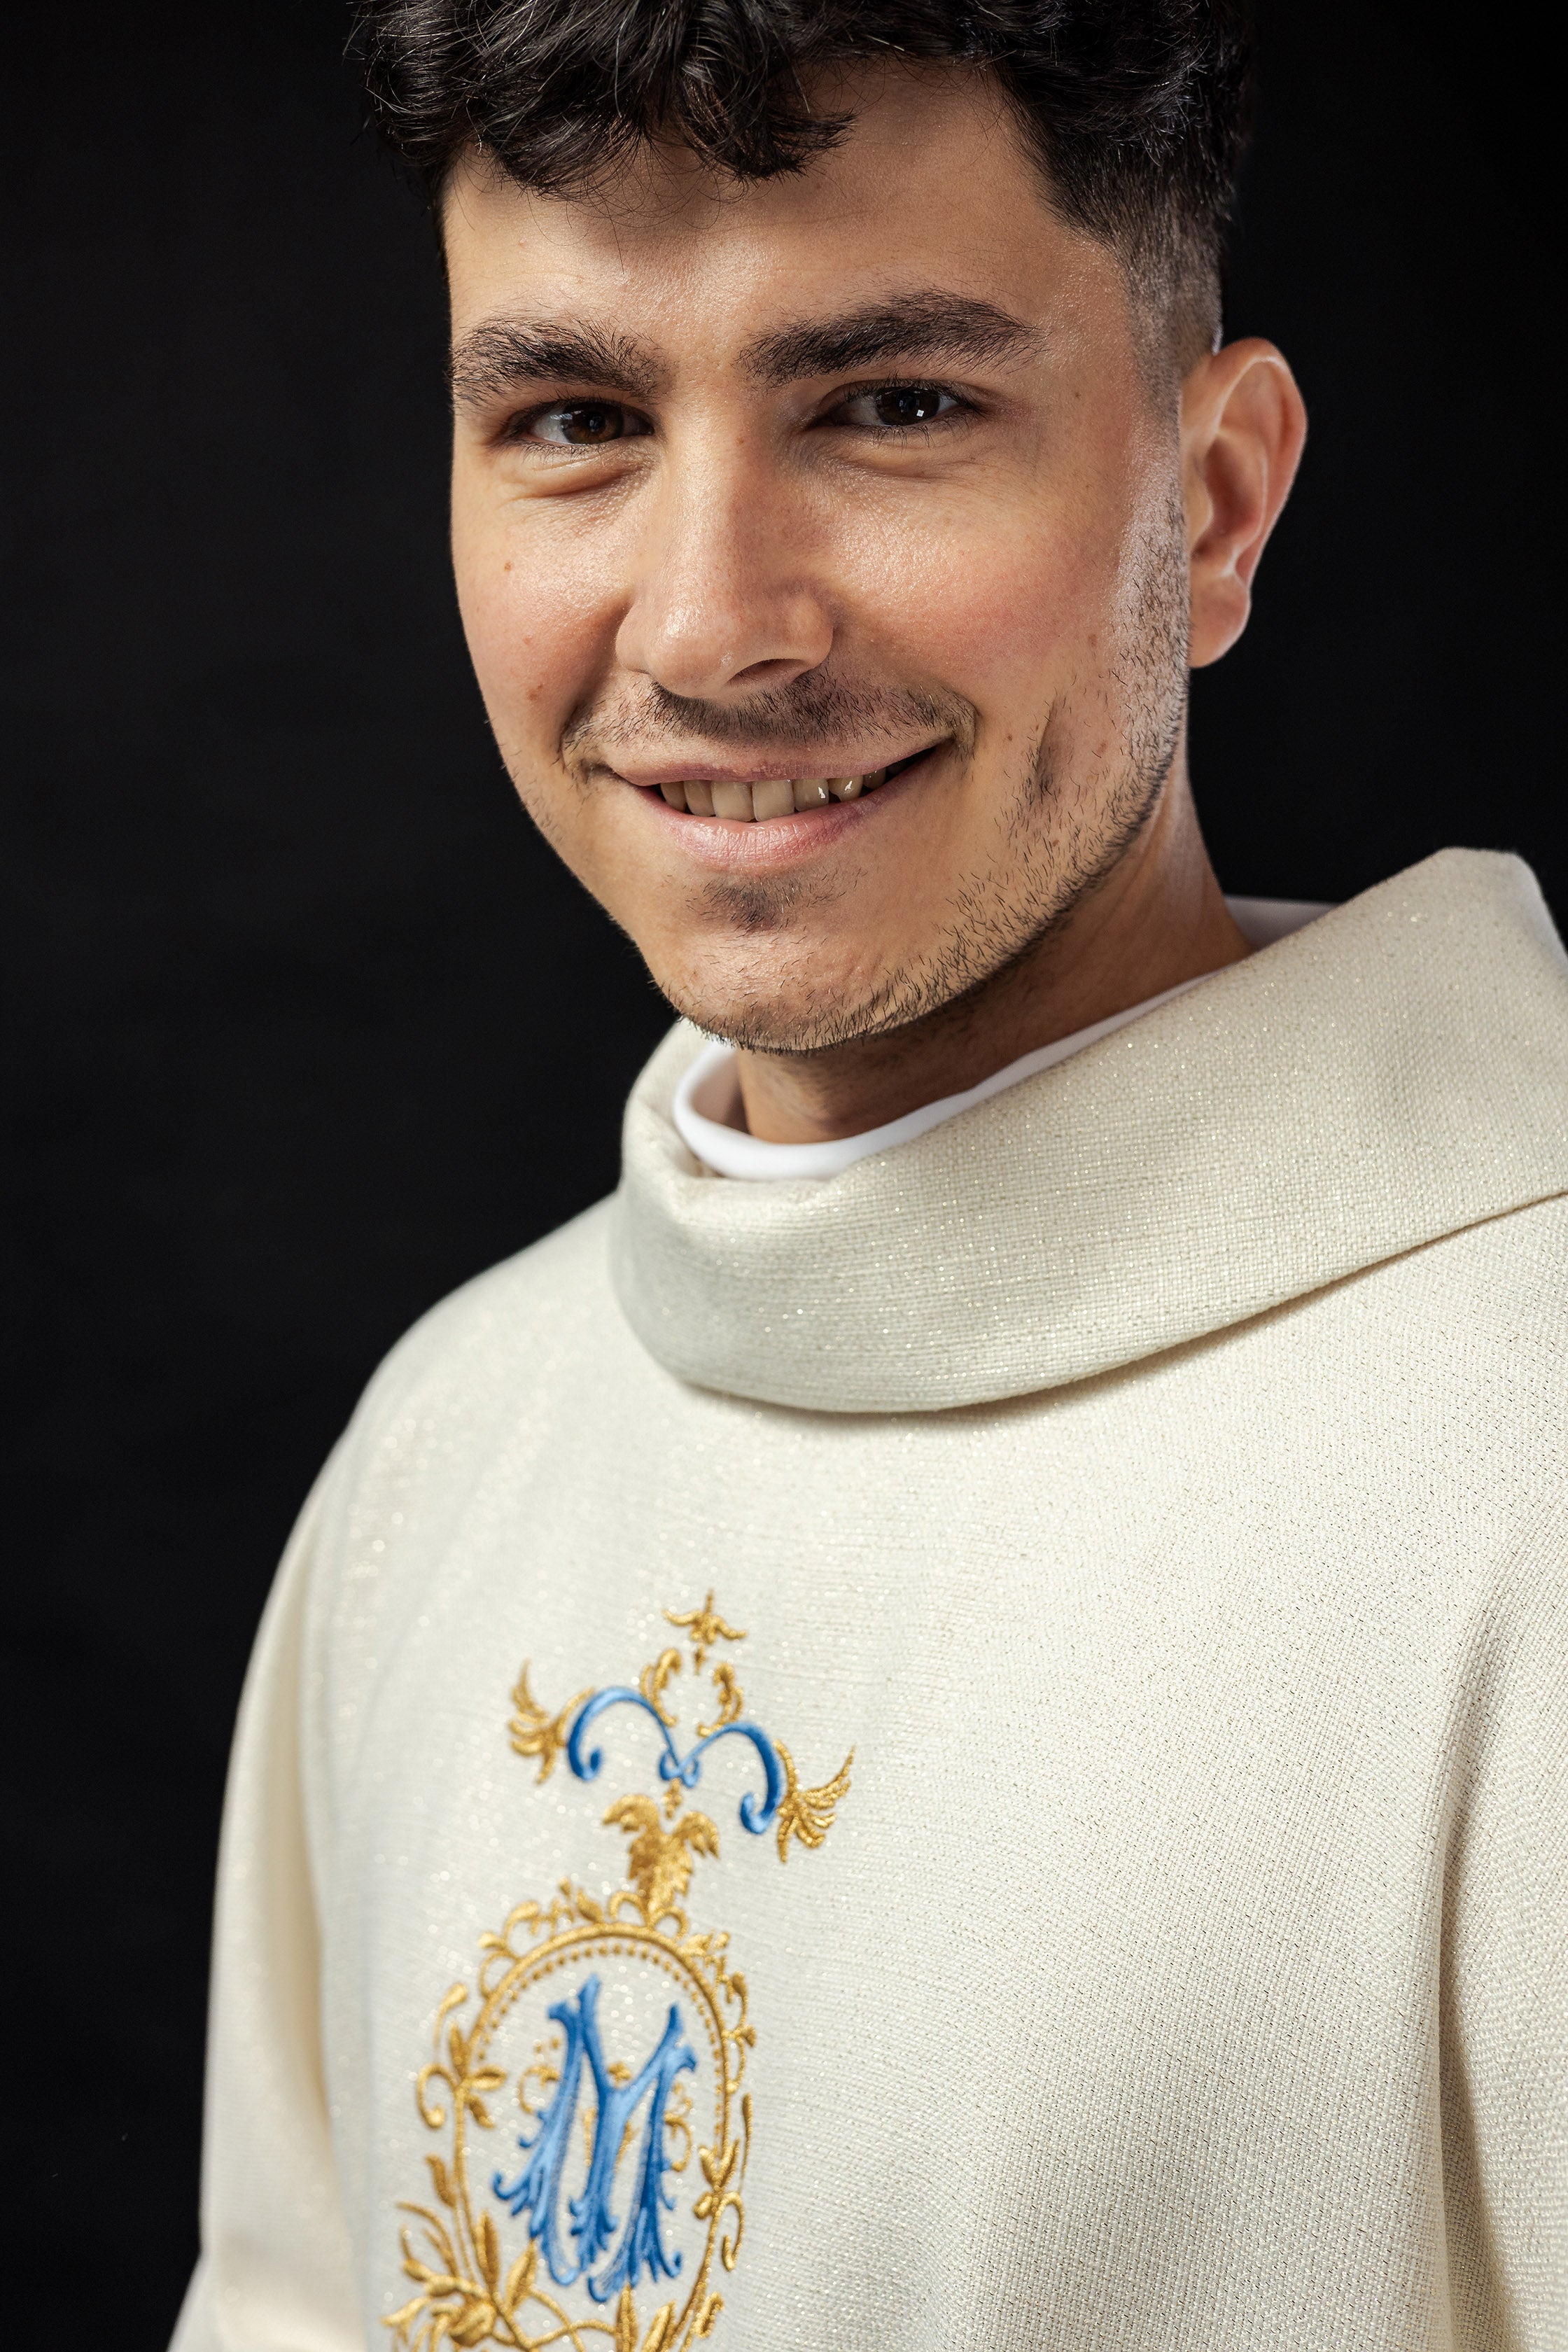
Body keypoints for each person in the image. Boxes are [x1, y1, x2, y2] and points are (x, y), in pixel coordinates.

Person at [174, 4, 1567, 2346]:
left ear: (1211, 508)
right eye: (577, 423)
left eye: (894, 406)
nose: (714, 627)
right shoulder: (449, 1445)